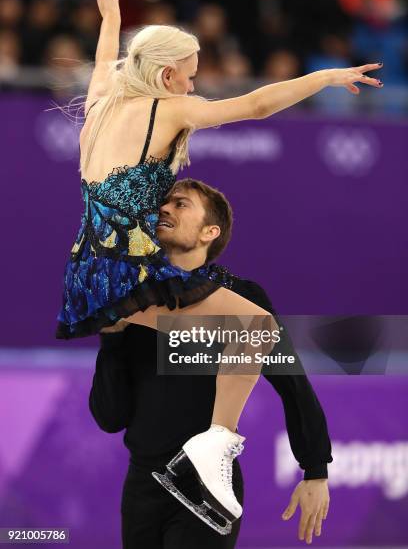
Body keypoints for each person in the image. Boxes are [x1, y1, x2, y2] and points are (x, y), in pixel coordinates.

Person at [54, 0, 380, 531]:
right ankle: (216, 443)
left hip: (92, 272)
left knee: (248, 328)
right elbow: (254, 106)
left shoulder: (104, 104)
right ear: (164, 75)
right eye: (190, 77)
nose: (192, 86)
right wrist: (323, 76)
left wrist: (111, 19)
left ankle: (214, 443)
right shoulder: (164, 110)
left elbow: (105, 61)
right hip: (125, 272)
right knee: (253, 329)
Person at [89, 177, 332, 548]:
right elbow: (110, 418)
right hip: (140, 488)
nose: (165, 208)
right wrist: (112, 339)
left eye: (181, 204)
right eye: (164, 203)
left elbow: (292, 383)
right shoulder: (135, 300)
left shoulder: (242, 299)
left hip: (205, 488)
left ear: (210, 231)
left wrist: (315, 471)